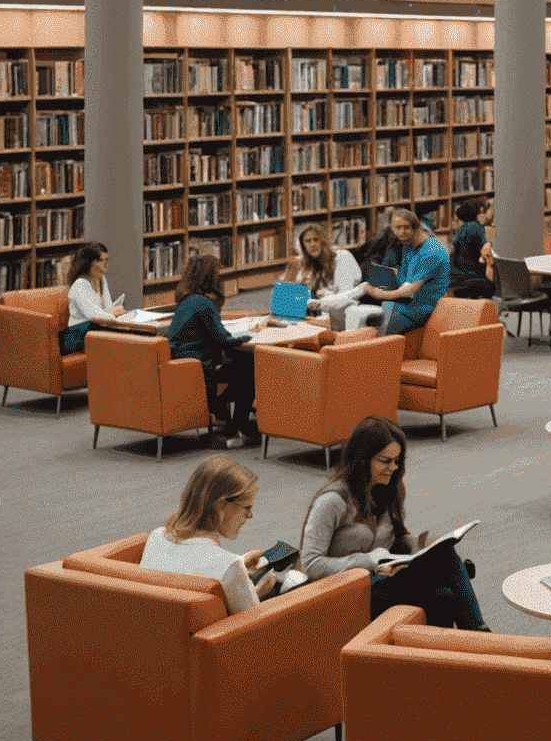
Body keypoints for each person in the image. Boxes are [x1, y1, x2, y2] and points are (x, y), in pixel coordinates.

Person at [300, 415, 489, 627]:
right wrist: (368, 560)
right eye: (385, 461)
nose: (393, 468)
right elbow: (310, 564)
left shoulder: (390, 489)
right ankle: (480, 635)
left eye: (397, 461)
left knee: (443, 594)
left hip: (387, 578)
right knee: (448, 567)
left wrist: (421, 546)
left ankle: (459, 647)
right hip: (350, 589)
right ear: (363, 459)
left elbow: (397, 538)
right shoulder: (332, 501)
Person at [140, 457, 282, 614]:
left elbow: (188, 564)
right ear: (221, 506)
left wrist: (241, 562)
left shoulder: (157, 536)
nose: (250, 515)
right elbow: (250, 623)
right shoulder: (228, 566)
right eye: (246, 507)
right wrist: (260, 590)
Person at [168, 253, 256, 449]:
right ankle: (235, 425)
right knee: (249, 368)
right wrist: (250, 336)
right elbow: (223, 340)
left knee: (242, 367)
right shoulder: (204, 304)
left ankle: (227, 417)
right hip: (199, 366)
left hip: (182, 363)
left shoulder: (187, 300)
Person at [364, 206, 449, 337]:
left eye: (406, 228)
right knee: (362, 310)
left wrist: (381, 294)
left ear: (416, 227)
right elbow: (406, 282)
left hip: (423, 309)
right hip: (408, 304)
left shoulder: (432, 250)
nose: (401, 233)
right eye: (397, 228)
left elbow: (412, 289)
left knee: (375, 323)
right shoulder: (408, 247)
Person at [60, 241, 124, 354]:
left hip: (94, 331)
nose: (106, 264)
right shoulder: (80, 284)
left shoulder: (102, 279)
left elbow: (107, 310)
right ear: (90, 263)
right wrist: (112, 313)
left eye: (107, 260)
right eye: (101, 260)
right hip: (76, 336)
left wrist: (111, 312)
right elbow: (94, 316)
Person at [282, 224, 360, 308]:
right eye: (308, 241)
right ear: (302, 246)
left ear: (323, 242)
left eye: (316, 240)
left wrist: (317, 303)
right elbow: (294, 297)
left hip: (345, 311)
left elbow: (345, 297)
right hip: (322, 312)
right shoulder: (308, 263)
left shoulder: (342, 257)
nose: (313, 244)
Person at [449, 198, 495, 299]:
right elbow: (487, 251)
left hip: (457, 278)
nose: (485, 214)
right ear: (476, 214)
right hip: (470, 278)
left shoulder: (461, 229)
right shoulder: (475, 227)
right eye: (483, 212)